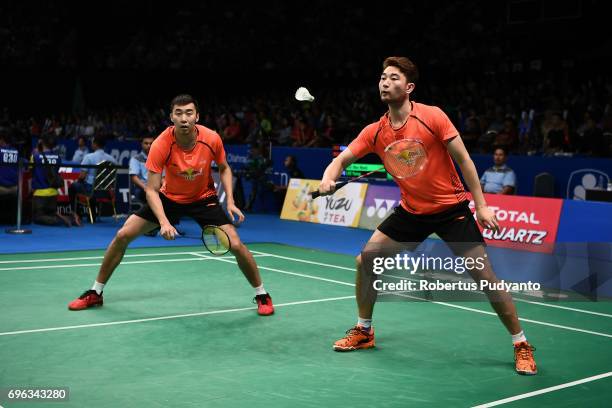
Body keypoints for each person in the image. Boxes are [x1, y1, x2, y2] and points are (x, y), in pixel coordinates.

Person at [317, 57, 536, 375]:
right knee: (367, 260)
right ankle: (364, 330)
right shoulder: (375, 132)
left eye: (393, 77)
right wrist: (328, 176)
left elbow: (465, 161)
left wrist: (483, 205)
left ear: (408, 87)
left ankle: (521, 344)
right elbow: (341, 160)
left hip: (451, 211)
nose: (384, 82)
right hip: (412, 211)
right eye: (382, 77)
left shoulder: (432, 117)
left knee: (486, 279)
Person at [67, 94, 274, 316]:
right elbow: (151, 189)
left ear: (197, 116)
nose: (184, 118)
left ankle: (263, 295)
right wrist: (164, 222)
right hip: (169, 198)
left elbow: (224, 168)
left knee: (235, 245)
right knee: (122, 235)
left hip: (203, 199)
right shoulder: (161, 144)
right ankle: (95, 292)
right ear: (171, 117)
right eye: (179, 113)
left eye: (189, 113)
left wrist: (230, 202)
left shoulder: (211, 138)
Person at [68, 136, 117, 226]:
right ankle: (92, 215)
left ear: (94, 144)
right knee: (88, 187)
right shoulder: (112, 159)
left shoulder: (89, 157)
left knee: (73, 186)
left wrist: (78, 181)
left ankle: (76, 214)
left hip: (91, 191)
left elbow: (82, 176)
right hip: (106, 192)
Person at [30, 136, 71, 226]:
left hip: (39, 194)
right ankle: (66, 216)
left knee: (36, 218)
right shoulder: (58, 157)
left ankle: (62, 220)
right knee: (50, 213)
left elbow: (30, 171)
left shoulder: (35, 156)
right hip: (53, 194)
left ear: (42, 143)